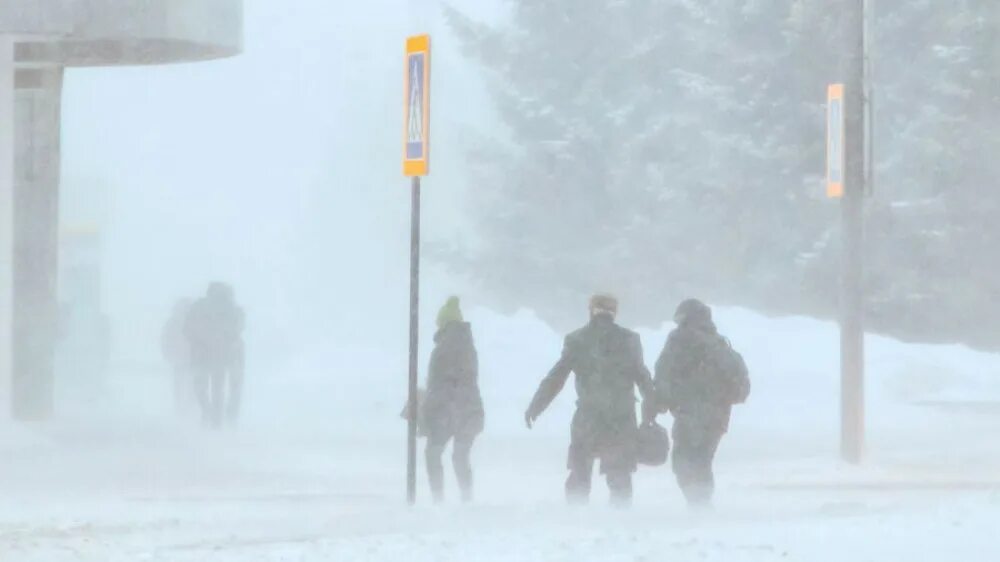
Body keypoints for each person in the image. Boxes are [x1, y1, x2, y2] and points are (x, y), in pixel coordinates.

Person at [525, 294, 655, 507]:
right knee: (619, 474)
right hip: (621, 418)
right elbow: (642, 376)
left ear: (591, 310)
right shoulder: (629, 339)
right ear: (615, 312)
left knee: (580, 470)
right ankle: (620, 522)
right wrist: (653, 407)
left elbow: (557, 377)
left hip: (588, 416)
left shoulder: (577, 339)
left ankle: (578, 519)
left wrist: (536, 406)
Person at [651, 299, 750, 507]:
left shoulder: (680, 339)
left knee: (683, 460)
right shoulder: (719, 342)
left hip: (689, 412)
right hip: (718, 417)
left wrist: (658, 402)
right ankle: (702, 501)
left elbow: (664, 371)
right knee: (703, 460)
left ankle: (697, 502)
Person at [421, 296, 484, 503]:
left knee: (433, 454)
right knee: (460, 456)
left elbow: (440, 386)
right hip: (469, 410)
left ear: (444, 324)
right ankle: (467, 499)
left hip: (447, 412)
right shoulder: (467, 345)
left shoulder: (445, 348)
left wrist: (425, 412)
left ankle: (438, 500)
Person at [184, 283, 245, 428]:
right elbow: (237, 330)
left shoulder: (199, 307)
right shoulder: (232, 309)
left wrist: (198, 340)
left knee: (201, 387)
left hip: (202, 355)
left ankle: (211, 414)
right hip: (221, 355)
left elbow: (186, 329)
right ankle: (216, 421)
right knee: (217, 388)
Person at [161, 298, 195, 414]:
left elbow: (165, 339)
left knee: (181, 383)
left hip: (182, 357)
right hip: (188, 357)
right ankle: (185, 405)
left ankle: (182, 405)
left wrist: (167, 353)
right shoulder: (192, 322)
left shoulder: (172, 322)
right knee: (188, 383)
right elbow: (165, 339)